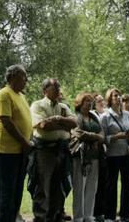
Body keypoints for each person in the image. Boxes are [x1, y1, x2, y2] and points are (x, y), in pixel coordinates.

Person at [30, 78, 78, 222]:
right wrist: (64, 124)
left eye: (58, 86)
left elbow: (75, 123)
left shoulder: (63, 107)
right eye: (54, 87)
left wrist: (56, 119)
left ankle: (56, 215)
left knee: (59, 184)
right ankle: (41, 217)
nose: (58, 89)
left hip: (62, 149)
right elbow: (44, 126)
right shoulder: (37, 105)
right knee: (43, 185)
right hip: (45, 151)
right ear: (45, 91)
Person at [0, 64, 33, 222]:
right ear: (12, 77)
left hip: (20, 151)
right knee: (5, 194)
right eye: (23, 77)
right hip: (5, 151)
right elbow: (6, 121)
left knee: (16, 194)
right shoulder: (4, 94)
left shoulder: (21, 96)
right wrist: (24, 141)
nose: (26, 80)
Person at [100, 88, 129, 222]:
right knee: (111, 185)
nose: (118, 97)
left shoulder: (127, 114)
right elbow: (102, 138)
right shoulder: (104, 116)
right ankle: (110, 215)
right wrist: (117, 136)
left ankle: (126, 215)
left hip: (127, 153)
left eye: (119, 95)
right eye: (115, 96)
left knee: (127, 183)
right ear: (110, 99)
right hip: (112, 154)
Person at [71, 93, 105, 222]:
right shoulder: (75, 117)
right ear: (80, 103)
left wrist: (95, 136)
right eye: (87, 101)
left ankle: (88, 215)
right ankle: (79, 217)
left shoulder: (94, 117)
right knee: (79, 187)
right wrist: (95, 136)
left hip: (95, 157)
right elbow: (79, 134)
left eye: (91, 101)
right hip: (80, 157)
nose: (89, 103)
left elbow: (102, 134)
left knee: (92, 187)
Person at [92, 94, 107, 222]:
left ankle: (103, 211)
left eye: (102, 100)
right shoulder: (92, 115)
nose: (101, 102)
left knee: (104, 183)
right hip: (96, 152)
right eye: (98, 101)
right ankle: (95, 211)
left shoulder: (107, 114)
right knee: (95, 184)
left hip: (108, 152)